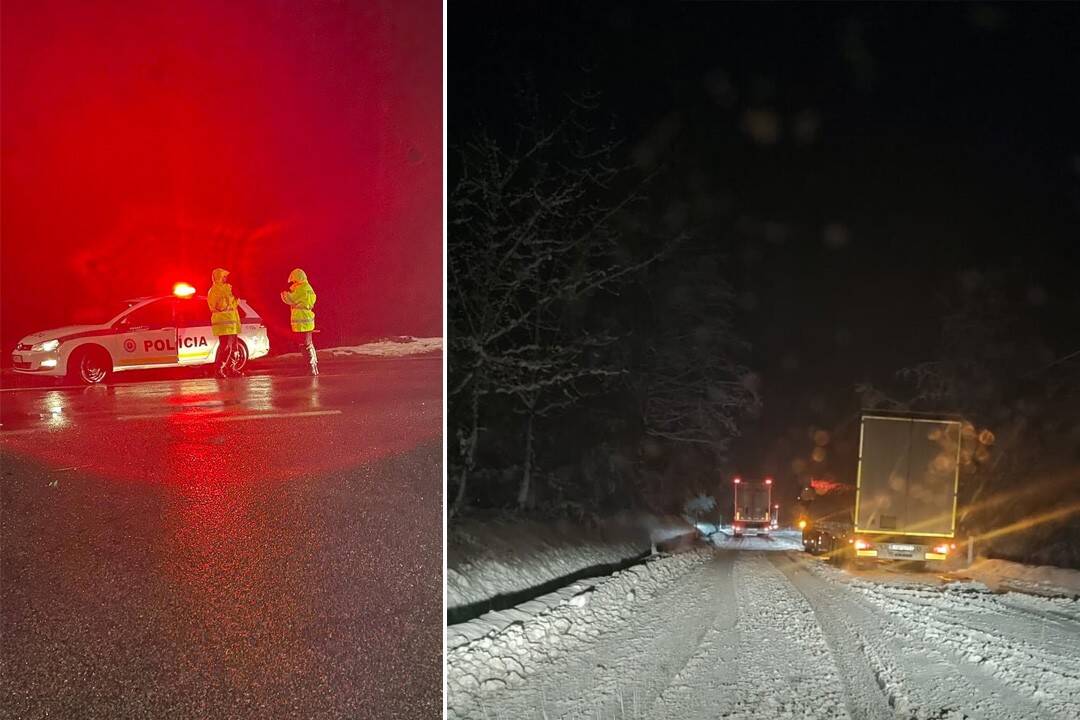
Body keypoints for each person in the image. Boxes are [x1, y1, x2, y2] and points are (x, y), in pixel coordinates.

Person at [280, 268, 318, 376]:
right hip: (306, 320)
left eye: (294, 281)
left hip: (303, 321)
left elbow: (291, 299)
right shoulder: (307, 287)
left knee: (305, 344)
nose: (293, 283)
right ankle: (312, 367)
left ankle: (311, 368)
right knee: (307, 344)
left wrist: (283, 293)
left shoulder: (302, 288)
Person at [207, 267, 242, 377]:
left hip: (232, 323)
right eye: (224, 276)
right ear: (219, 277)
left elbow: (233, 306)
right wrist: (228, 299)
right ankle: (218, 370)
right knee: (226, 347)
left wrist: (236, 299)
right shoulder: (214, 290)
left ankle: (231, 368)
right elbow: (217, 306)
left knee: (235, 347)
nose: (226, 278)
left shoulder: (228, 288)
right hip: (223, 324)